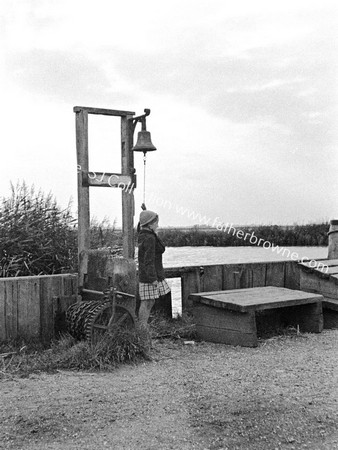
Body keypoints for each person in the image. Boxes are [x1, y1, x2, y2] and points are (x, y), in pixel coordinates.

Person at [137, 208, 171, 326]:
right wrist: (152, 278)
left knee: (149, 301)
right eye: (156, 222)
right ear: (150, 224)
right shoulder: (150, 238)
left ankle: (142, 326)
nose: (158, 224)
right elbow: (149, 260)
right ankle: (142, 327)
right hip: (150, 275)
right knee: (147, 302)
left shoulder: (143, 235)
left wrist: (145, 212)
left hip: (146, 274)